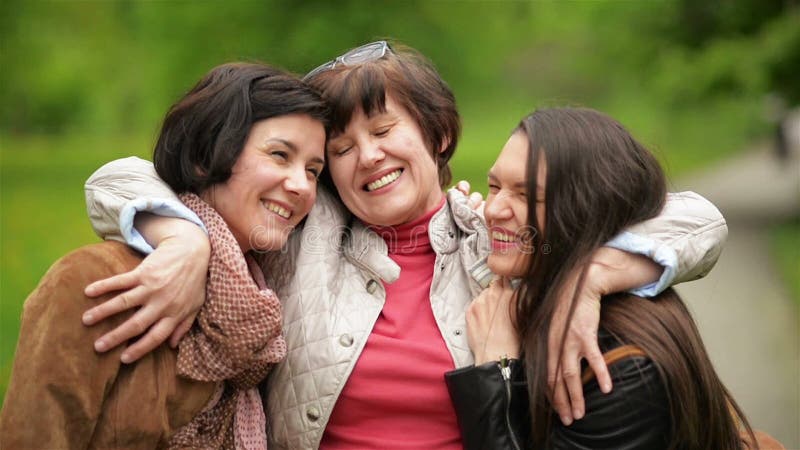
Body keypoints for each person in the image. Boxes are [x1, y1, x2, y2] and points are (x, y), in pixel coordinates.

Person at [79, 41, 728, 449]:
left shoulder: (495, 242)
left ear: (438, 135)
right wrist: (186, 241)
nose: (367, 156)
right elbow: (116, 179)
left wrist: (595, 276)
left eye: (385, 128)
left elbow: (698, 219)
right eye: (339, 148)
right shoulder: (300, 242)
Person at [0, 62, 329, 449]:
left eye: (313, 170)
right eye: (279, 155)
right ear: (206, 156)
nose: (300, 186)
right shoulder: (94, 278)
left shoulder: (265, 297)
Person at [446, 107, 760, 450]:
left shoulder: (622, 366)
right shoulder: (535, 284)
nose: (493, 210)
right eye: (494, 186)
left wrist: (496, 371)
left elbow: (704, 220)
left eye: (526, 195)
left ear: (586, 208)